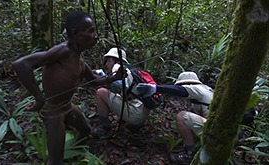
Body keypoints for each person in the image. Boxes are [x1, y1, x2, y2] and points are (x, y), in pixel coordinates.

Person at [12, 11, 125, 165]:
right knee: (56, 160)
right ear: (76, 34)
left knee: (86, 131)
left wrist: (114, 77)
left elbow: (91, 80)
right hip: (53, 111)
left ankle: (75, 153)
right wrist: (39, 97)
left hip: (67, 106)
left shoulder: (78, 56)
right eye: (91, 31)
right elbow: (21, 65)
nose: (96, 36)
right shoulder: (63, 51)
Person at [136, 71, 213, 164]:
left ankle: (189, 154)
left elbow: (178, 90)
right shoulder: (207, 89)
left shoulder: (196, 88)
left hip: (214, 131)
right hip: (222, 129)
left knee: (182, 117)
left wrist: (156, 88)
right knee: (190, 115)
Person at [94, 47, 150, 138]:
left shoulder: (117, 67)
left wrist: (103, 76)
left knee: (101, 93)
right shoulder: (129, 70)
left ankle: (106, 129)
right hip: (141, 110)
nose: (107, 64)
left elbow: (124, 85)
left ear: (116, 61)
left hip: (135, 113)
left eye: (109, 61)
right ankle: (136, 124)